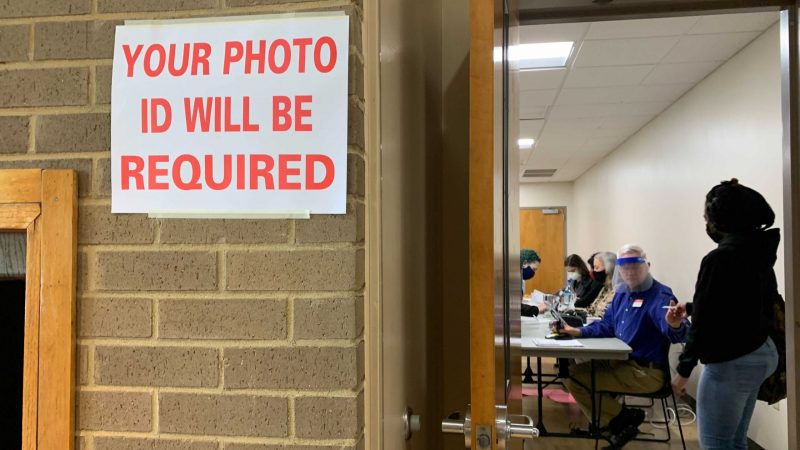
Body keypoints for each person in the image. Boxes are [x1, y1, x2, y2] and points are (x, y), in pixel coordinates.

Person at [671, 179, 780, 450]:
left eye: (707, 217)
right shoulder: (760, 250)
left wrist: (684, 369)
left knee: (716, 444)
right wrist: (693, 307)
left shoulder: (719, 258)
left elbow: (706, 323)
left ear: (722, 220)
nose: (706, 223)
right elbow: (744, 302)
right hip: (762, 352)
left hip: (732, 361)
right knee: (734, 441)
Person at [555, 244, 689, 449]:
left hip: (645, 373)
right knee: (572, 373)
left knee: (576, 379)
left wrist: (675, 324)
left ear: (648, 266)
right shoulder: (623, 294)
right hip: (620, 365)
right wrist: (578, 331)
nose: (629, 272)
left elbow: (675, 330)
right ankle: (618, 423)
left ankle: (618, 423)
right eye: (624, 267)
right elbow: (607, 325)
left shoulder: (659, 295)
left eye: (635, 266)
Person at [583, 251, 616, 318]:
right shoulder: (605, 288)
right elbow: (591, 310)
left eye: (597, 268)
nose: (593, 271)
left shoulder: (618, 291)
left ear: (608, 269)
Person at [521, 249, 541, 317]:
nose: (533, 273)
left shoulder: (520, 278)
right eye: (534, 269)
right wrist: (537, 309)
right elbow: (515, 307)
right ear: (524, 263)